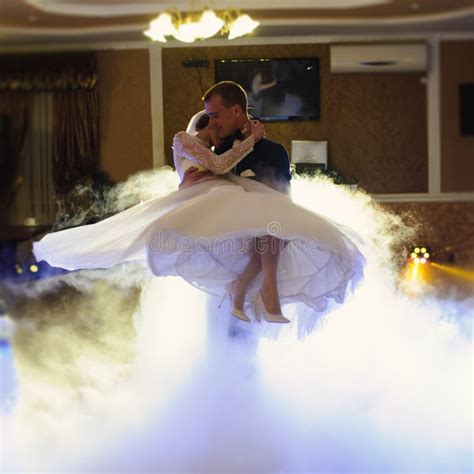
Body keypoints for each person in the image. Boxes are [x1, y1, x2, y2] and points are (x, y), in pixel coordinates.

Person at [33, 110, 365, 337]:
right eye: (216, 126)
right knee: (260, 225)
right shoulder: (186, 140)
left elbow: (225, 166)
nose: (220, 131)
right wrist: (247, 141)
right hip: (207, 198)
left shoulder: (225, 149)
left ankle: (254, 292)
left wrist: (243, 147)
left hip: (225, 194)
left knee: (272, 226)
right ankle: (252, 293)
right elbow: (218, 165)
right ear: (207, 125)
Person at [181, 81, 291, 324]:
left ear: (237, 111)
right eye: (208, 116)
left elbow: (283, 199)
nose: (212, 123)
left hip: (259, 247)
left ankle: (255, 288)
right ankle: (254, 290)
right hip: (221, 252)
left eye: (215, 115)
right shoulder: (216, 153)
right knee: (222, 330)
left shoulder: (273, 152)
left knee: (275, 215)